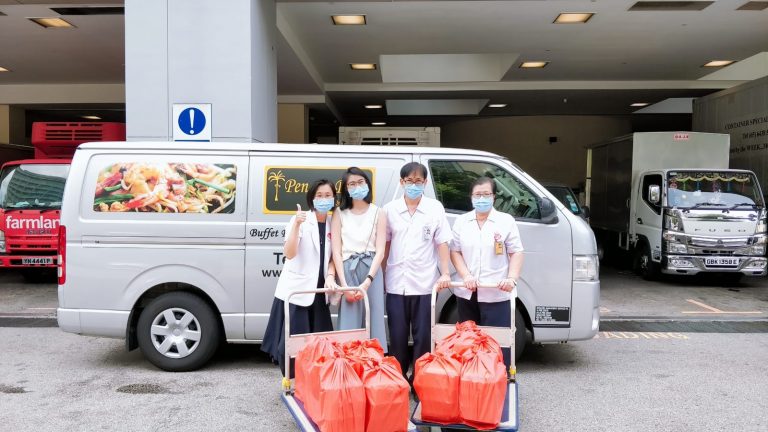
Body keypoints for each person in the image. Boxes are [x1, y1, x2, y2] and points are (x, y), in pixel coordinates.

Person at [383, 162, 452, 379]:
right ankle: (398, 378)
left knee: (423, 337)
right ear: (401, 182)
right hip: (396, 283)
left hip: (424, 283)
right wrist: (382, 275)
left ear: (425, 182)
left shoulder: (435, 208)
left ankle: (420, 380)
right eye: (409, 181)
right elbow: (384, 244)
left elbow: (442, 243)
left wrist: (446, 273)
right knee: (397, 336)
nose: (414, 185)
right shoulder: (390, 210)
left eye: (418, 181)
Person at [260, 179, 336, 376]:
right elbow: (289, 253)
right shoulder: (299, 220)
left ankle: (313, 383)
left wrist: (330, 275)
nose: (324, 199)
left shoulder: (332, 223)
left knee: (319, 344)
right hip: (298, 291)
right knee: (293, 343)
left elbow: (333, 257)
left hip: (320, 292)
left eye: (328, 195)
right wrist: (296, 225)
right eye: (319, 196)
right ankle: (291, 382)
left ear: (334, 199)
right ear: (312, 198)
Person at [448, 176, 524, 367]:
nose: (482, 198)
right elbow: (455, 251)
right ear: (471, 197)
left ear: (494, 196)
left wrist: (511, 278)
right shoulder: (461, 221)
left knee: (497, 342)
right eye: (477, 194)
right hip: (467, 292)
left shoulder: (505, 221)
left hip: (496, 292)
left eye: (486, 194)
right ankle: (473, 382)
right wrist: (466, 275)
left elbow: (516, 252)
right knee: (469, 341)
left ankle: (499, 380)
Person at [330, 167, 388, 347]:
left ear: (367, 184)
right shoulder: (339, 213)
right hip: (348, 269)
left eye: (360, 182)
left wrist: (369, 280)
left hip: (372, 269)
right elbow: (336, 252)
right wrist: (344, 286)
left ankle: (374, 362)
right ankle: (348, 364)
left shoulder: (379, 212)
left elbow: (380, 250)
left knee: (375, 316)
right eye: (352, 184)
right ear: (346, 189)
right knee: (349, 320)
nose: (357, 187)